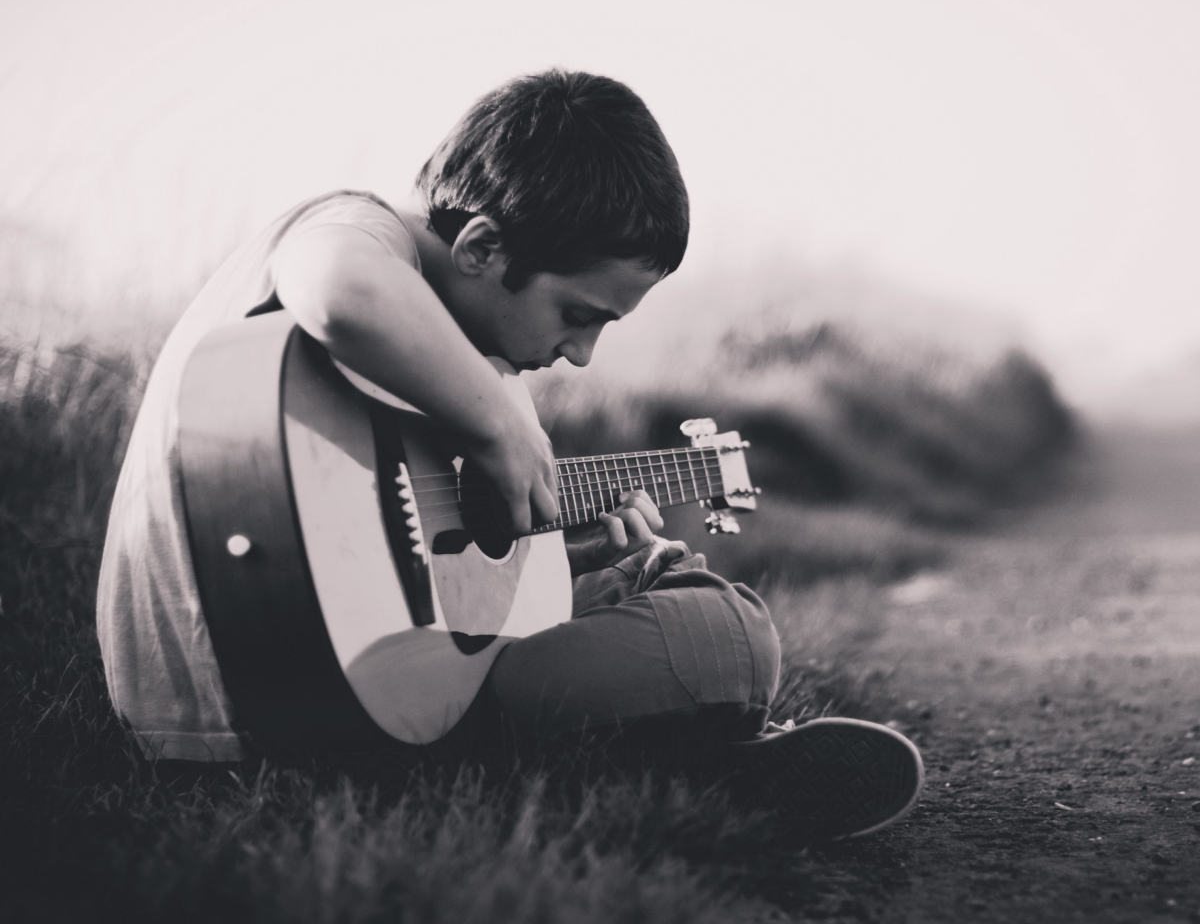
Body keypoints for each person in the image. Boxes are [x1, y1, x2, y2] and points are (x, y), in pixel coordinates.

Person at [96, 69, 923, 840]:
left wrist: (557, 557)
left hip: (307, 692)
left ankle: (654, 758)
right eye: (578, 313)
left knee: (643, 573)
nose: (581, 354)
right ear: (482, 247)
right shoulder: (353, 229)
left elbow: (393, 558)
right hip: (268, 704)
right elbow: (340, 291)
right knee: (731, 631)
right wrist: (500, 421)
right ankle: (674, 754)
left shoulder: (438, 354)